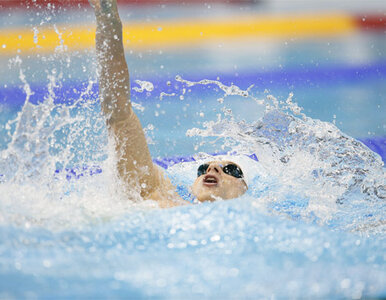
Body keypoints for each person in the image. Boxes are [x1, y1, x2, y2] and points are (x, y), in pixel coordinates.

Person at [89, 0, 248, 208]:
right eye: (202, 169)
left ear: (245, 189)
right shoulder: (163, 201)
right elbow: (117, 112)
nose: (212, 170)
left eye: (231, 170)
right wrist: (107, 16)